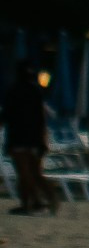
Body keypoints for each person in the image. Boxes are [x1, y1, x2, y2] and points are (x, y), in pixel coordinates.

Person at [5, 61, 59, 215]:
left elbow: (8, 115)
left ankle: (31, 202)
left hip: (18, 137)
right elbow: (41, 119)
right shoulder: (35, 91)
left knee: (24, 173)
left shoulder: (14, 91)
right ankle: (43, 200)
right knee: (34, 172)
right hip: (34, 138)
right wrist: (43, 140)